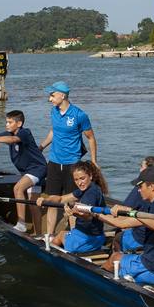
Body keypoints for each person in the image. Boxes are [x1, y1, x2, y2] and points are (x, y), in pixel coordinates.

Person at [98, 165, 154, 285]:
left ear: (152, 187)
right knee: (120, 255)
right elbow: (122, 223)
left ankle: (97, 283)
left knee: (114, 259)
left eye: (140, 186)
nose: (138, 190)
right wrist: (95, 215)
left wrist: (133, 212)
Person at [37, 81, 97, 237]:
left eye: (52, 95)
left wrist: (94, 161)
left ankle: (74, 235)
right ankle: (49, 236)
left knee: (72, 202)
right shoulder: (53, 111)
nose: (50, 99)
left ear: (62, 96)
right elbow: (53, 132)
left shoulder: (79, 115)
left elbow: (91, 138)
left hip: (72, 164)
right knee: (52, 200)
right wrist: (41, 146)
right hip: (54, 163)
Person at [0, 110, 47, 232]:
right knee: (33, 205)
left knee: (18, 188)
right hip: (28, 172)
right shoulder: (9, 133)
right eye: (6, 122)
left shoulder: (24, 133)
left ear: (19, 123)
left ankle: (21, 223)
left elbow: (12, 140)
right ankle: (39, 234)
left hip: (38, 169)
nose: (6, 124)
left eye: (10, 122)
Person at [39, 161, 109, 252]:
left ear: (90, 176)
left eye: (82, 178)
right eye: (76, 180)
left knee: (60, 236)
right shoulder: (86, 189)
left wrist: (74, 213)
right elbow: (61, 198)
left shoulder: (91, 193)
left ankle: (48, 255)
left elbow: (88, 216)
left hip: (87, 239)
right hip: (94, 236)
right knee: (62, 233)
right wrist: (45, 200)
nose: (79, 183)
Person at [110, 155, 154, 258]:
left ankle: (118, 261)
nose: (139, 169)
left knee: (118, 236)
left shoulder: (140, 190)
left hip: (141, 237)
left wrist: (97, 214)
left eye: (141, 166)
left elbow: (121, 217)